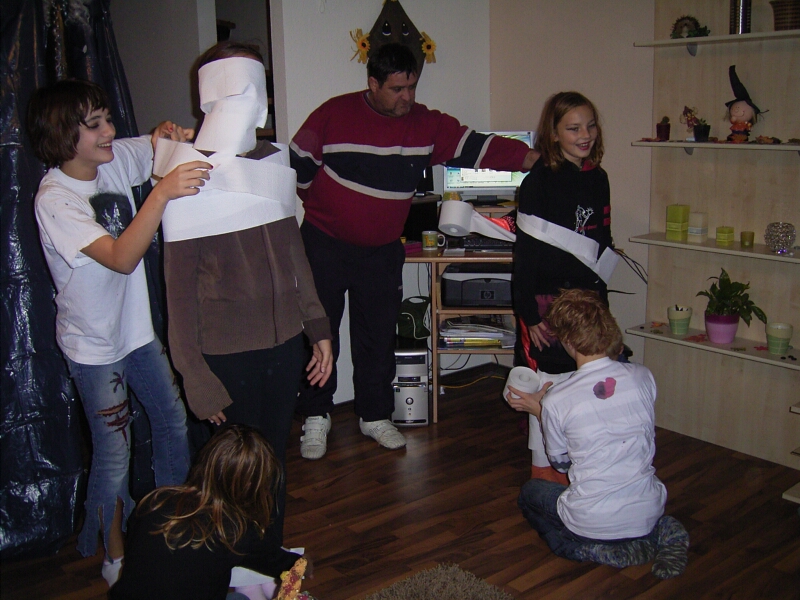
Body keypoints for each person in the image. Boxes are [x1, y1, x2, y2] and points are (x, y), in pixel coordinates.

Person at [290, 42, 539, 460]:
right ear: (373, 84)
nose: (407, 97)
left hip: (381, 252)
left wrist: (533, 159)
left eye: (412, 87)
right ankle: (316, 415)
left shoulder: (426, 124)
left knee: (377, 337)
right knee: (319, 333)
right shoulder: (333, 114)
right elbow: (297, 169)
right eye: (397, 89)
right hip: (324, 245)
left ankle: (374, 415)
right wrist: (333, 209)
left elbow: (478, 147)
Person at [27, 79, 206, 586]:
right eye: (95, 125)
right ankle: (115, 555)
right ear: (63, 136)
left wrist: (169, 137)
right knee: (114, 453)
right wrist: (162, 191)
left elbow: (158, 146)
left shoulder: (113, 159)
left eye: (106, 118)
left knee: (173, 423)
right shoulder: (55, 198)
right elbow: (122, 258)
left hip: (136, 333)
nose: (109, 130)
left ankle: (171, 532)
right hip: (94, 347)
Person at [163, 41, 332, 544]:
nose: (255, 108)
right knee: (231, 474)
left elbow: (294, 254)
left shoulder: (270, 164)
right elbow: (177, 293)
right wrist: (195, 375)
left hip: (282, 346)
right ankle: (227, 566)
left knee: (272, 460)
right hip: (225, 356)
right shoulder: (185, 175)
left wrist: (317, 327)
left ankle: (266, 557)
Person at [506, 289, 689, 579]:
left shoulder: (557, 400)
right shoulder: (643, 376)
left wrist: (540, 412)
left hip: (591, 519)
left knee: (530, 494)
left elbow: (561, 465)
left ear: (568, 341)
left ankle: (591, 550)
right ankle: (657, 533)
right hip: (649, 508)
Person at [109, 424, 308, 600]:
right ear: (254, 485)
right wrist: (302, 563)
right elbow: (276, 561)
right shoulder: (236, 532)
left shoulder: (155, 500)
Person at [513, 91, 618, 378]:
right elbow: (526, 255)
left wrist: (603, 305)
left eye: (591, 125)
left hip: (589, 300)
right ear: (554, 134)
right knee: (550, 379)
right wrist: (529, 315)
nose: (586, 135)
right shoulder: (538, 182)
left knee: (591, 377)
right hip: (549, 302)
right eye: (574, 128)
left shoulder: (599, 178)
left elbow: (602, 242)